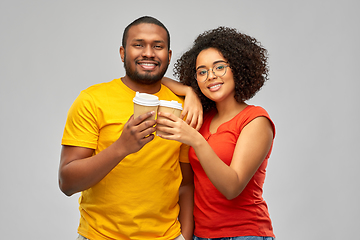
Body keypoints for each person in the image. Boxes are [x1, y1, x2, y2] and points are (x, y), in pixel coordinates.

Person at [58, 16, 201, 240]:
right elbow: (67, 183)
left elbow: (186, 184)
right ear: (123, 53)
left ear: (168, 56)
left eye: (158, 46)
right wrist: (121, 147)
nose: (148, 53)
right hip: (100, 236)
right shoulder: (92, 100)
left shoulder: (183, 107)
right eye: (138, 44)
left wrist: (186, 236)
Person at [156, 27, 276, 240]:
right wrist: (188, 91)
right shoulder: (202, 118)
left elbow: (232, 187)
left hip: (244, 234)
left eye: (219, 67)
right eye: (202, 72)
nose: (211, 76)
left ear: (238, 68)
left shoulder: (256, 120)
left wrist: (195, 139)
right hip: (200, 235)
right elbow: (156, 80)